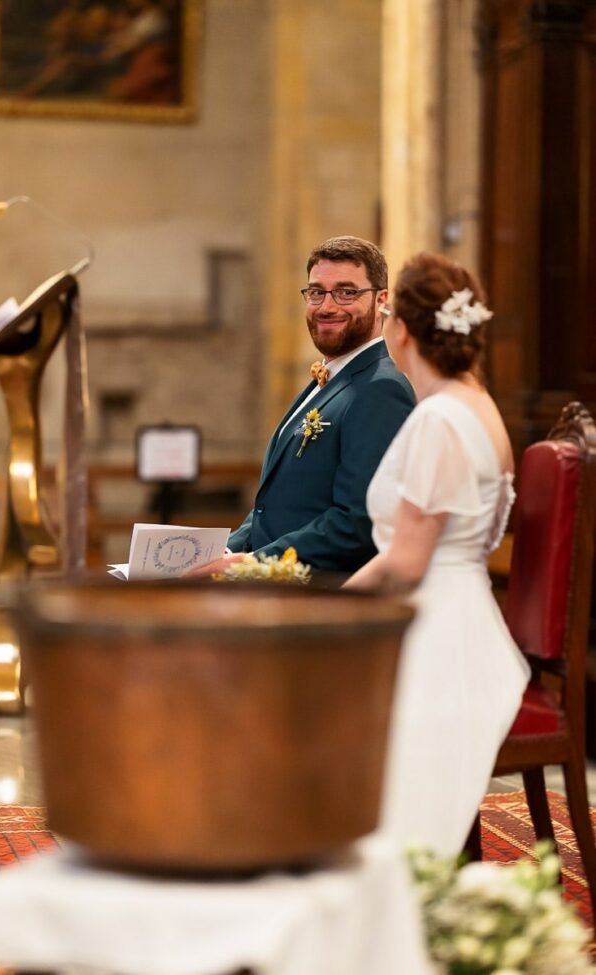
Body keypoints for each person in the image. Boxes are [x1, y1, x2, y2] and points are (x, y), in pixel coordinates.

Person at [344, 252, 530, 856]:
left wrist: (331, 611)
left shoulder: (441, 419)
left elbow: (406, 564)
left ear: (399, 328)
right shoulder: (475, 404)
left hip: (438, 642)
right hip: (459, 620)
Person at [219, 236, 415, 576]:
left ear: (381, 300)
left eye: (346, 292)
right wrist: (227, 551)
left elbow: (358, 521)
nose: (326, 306)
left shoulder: (380, 389)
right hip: (279, 588)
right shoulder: (331, 378)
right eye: (316, 292)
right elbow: (276, 505)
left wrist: (254, 563)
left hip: (324, 597)